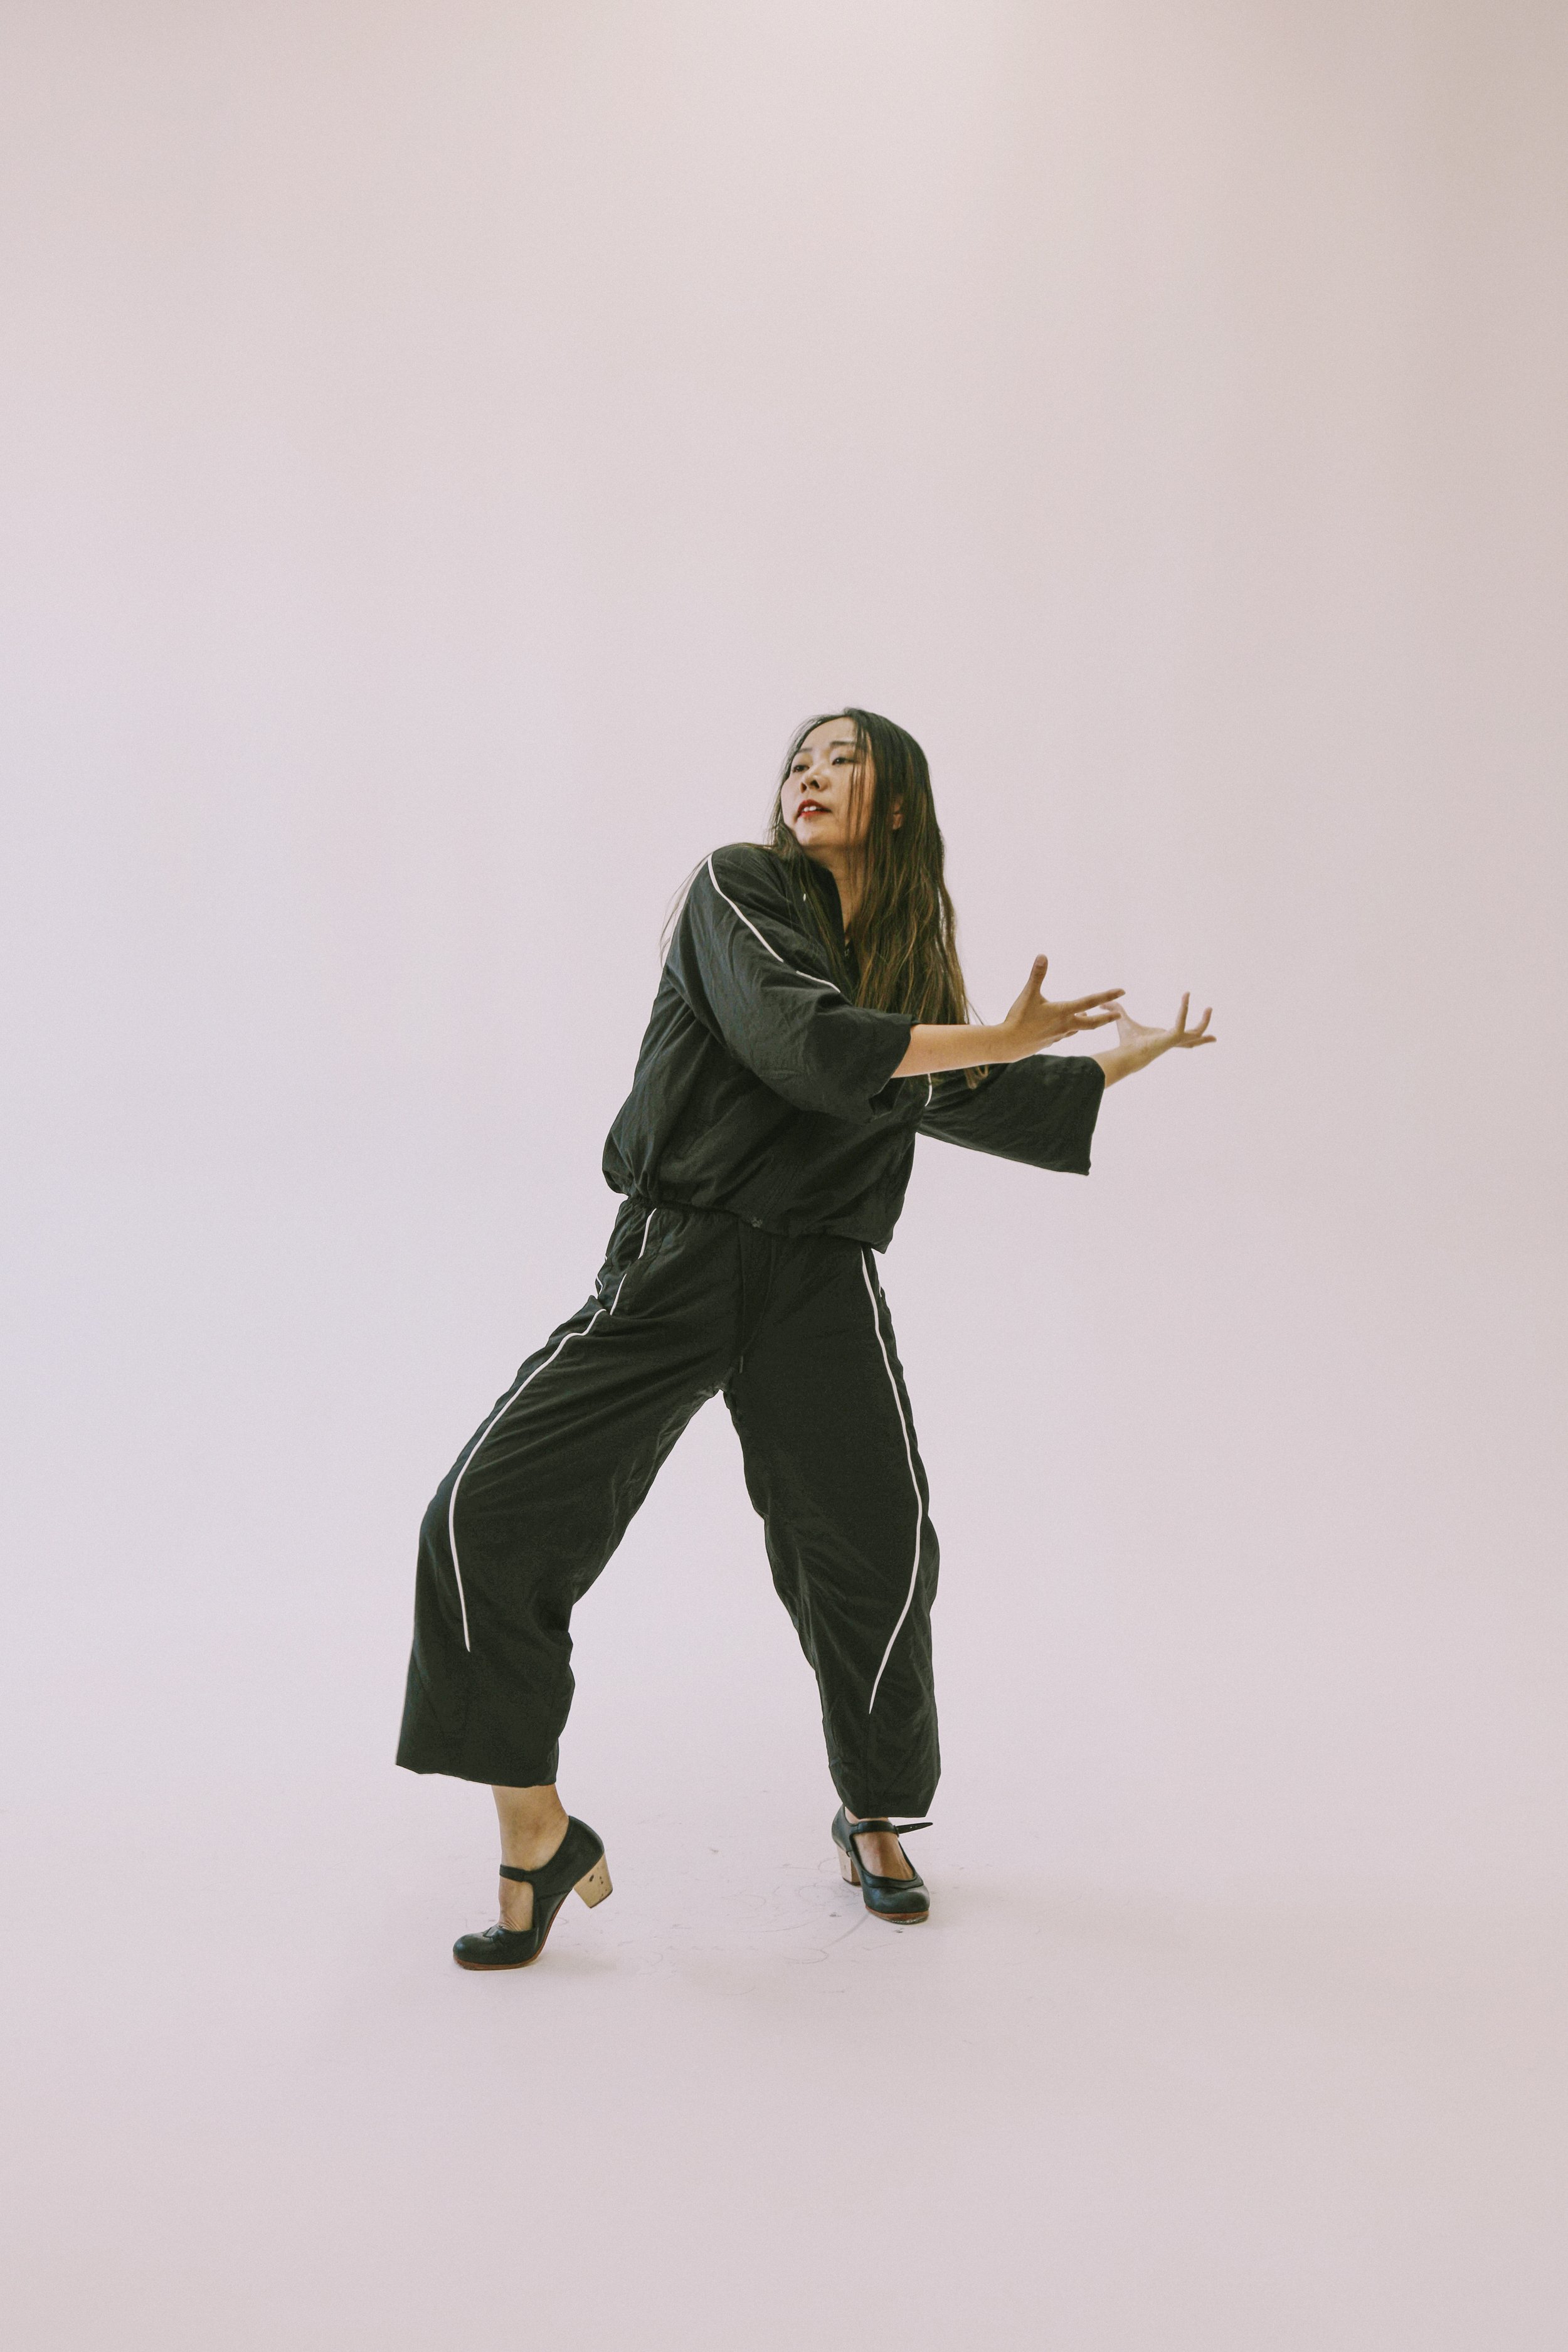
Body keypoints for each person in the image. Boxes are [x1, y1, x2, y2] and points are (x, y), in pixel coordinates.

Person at [397, 708, 1214, 1968]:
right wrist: (1001, 1037)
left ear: (899, 802)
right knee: (481, 1515)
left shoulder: (901, 971)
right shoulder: (733, 890)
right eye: (798, 758)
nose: (808, 775)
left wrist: (1117, 1062)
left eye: (842, 759)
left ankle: (875, 1813)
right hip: (680, 1257)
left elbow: (962, 1093)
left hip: (819, 1284)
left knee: (878, 1550)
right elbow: (808, 1043)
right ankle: (535, 1833)